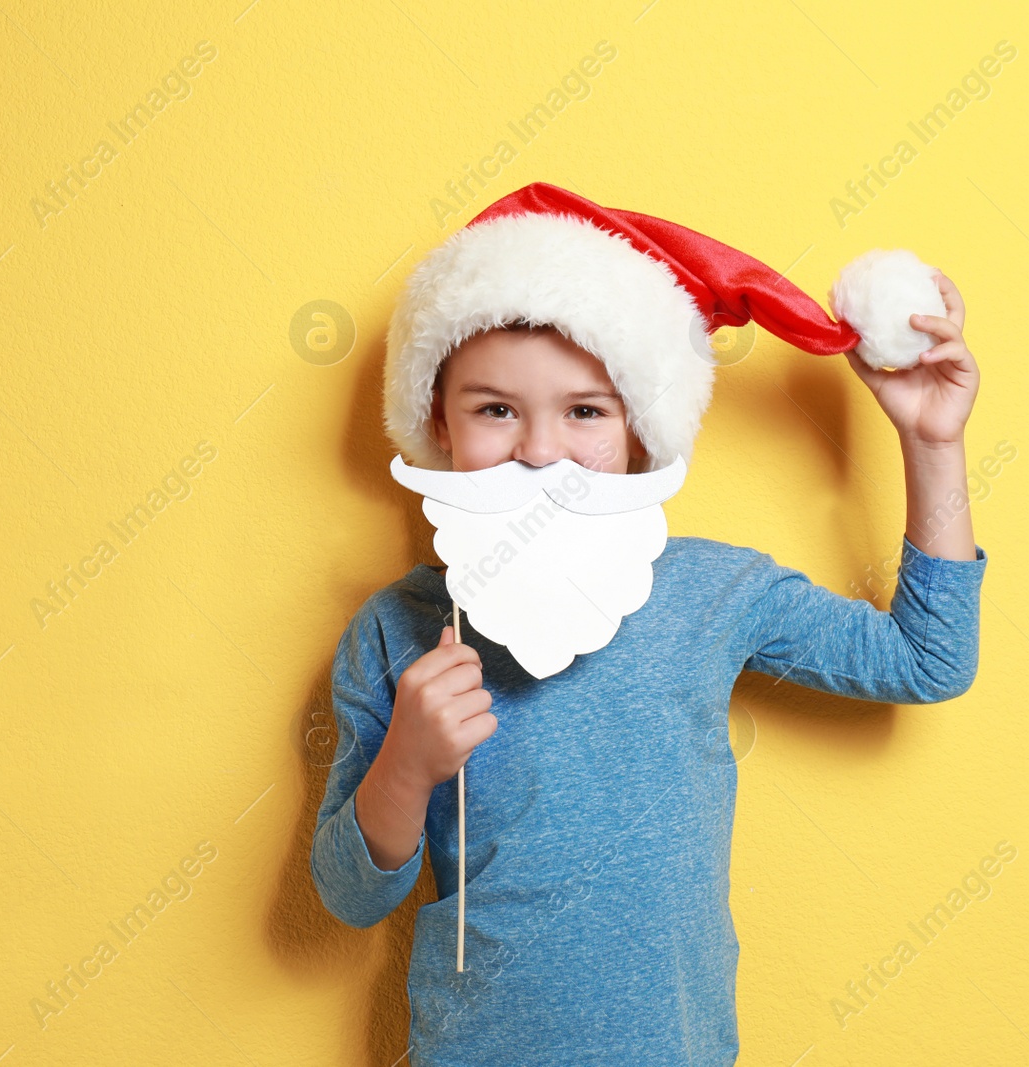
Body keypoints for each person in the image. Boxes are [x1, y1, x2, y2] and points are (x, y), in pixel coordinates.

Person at [310, 182, 988, 1065]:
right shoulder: (397, 628)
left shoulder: (714, 590)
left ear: (639, 430)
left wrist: (932, 444)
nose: (541, 449)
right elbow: (347, 896)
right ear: (439, 419)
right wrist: (405, 762)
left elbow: (926, 661)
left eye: (585, 410)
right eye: (495, 408)